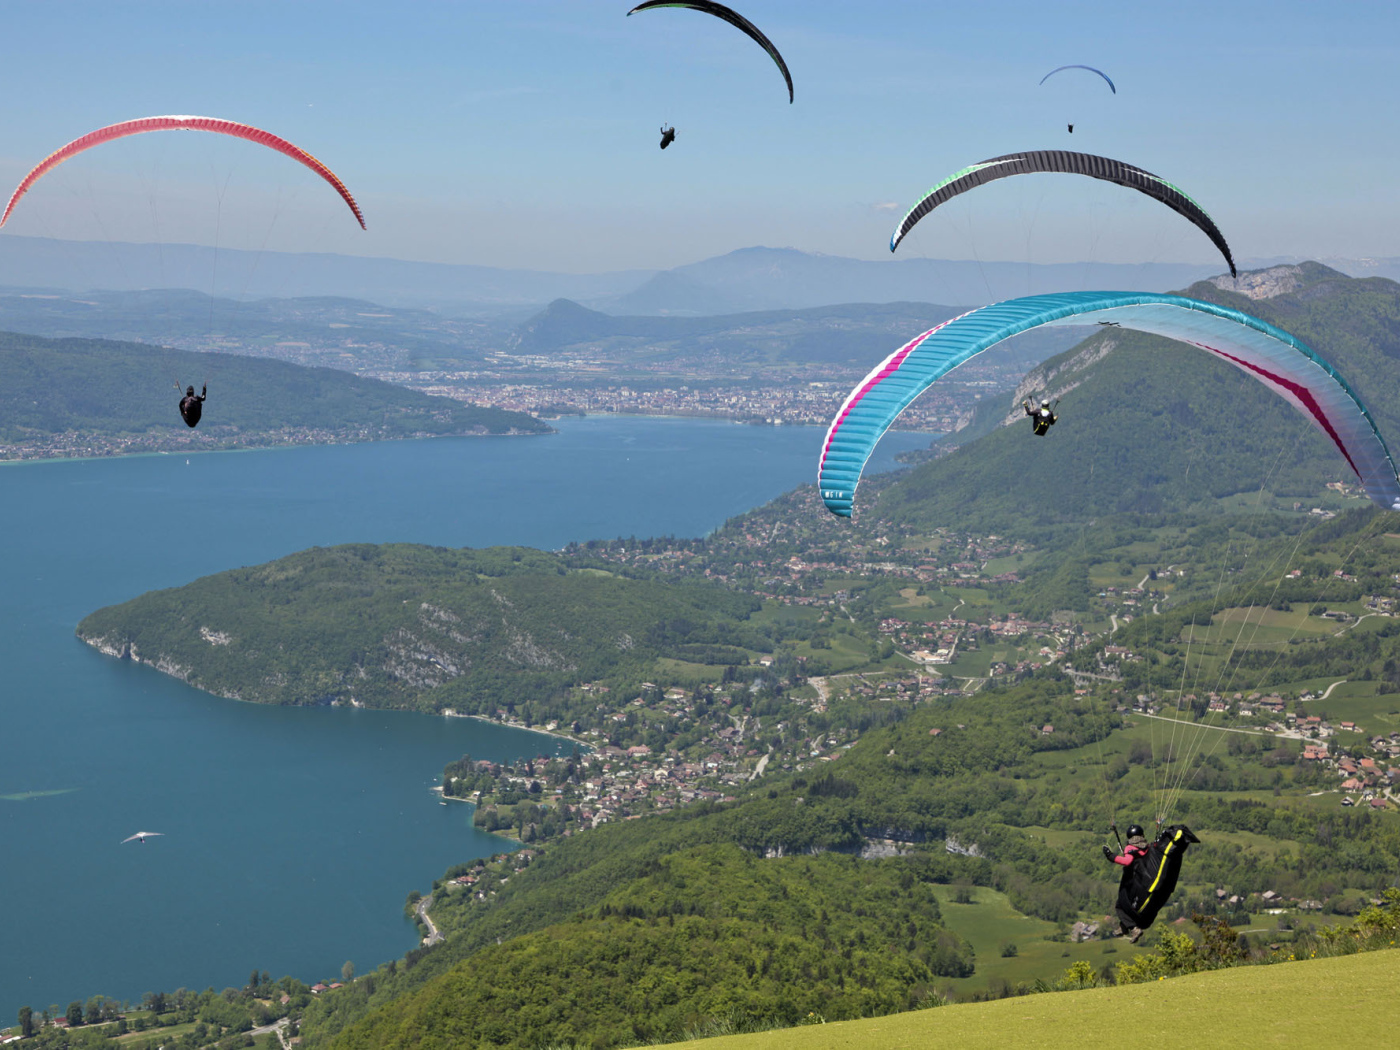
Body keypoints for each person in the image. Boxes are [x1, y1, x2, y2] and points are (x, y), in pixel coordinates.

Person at [1103, 824, 1151, 941]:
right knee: (1127, 905)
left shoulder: (1130, 848)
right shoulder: (1147, 847)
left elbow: (1127, 861)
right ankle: (1123, 927)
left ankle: (1133, 928)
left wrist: (1111, 856)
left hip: (1130, 882)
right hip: (1143, 882)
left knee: (1120, 905)